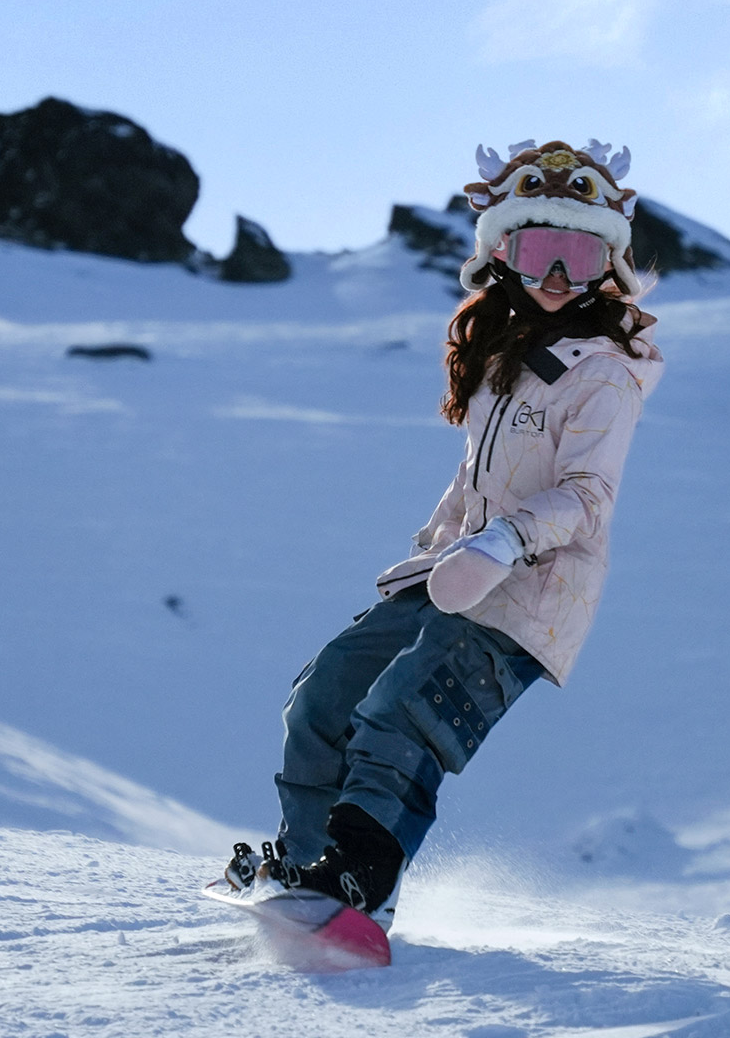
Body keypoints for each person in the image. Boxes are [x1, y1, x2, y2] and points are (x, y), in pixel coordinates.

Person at [221, 139, 665, 930]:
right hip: (453, 573)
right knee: (324, 694)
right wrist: (437, 549)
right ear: (502, 254)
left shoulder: (606, 370)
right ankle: (306, 867)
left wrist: (503, 543)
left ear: (608, 265)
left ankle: (358, 881)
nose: (558, 276)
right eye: (538, 250)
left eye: (579, 254)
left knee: (400, 710)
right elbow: (476, 479)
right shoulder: (507, 359)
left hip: (530, 593)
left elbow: (588, 496)